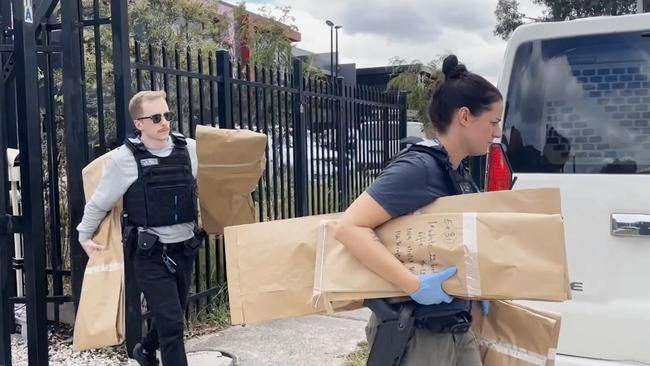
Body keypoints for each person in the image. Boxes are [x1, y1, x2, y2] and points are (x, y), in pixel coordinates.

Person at [334, 55, 503, 365]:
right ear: (465, 117)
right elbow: (349, 228)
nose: (496, 133)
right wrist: (414, 285)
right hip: (418, 331)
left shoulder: (458, 174)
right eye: (493, 122)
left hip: (455, 325)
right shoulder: (420, 168)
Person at [76, 90, 200, 366]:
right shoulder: (125, 160)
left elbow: (217, 182)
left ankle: (144, 350)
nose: (164, 122)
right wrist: (84, 234)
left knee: (173, 315)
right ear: (139, 123)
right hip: (150, 254)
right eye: (156, 117)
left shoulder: (189, 149)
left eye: (167, 115)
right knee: (172, 327)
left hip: (185, 250)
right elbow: (101, 201)